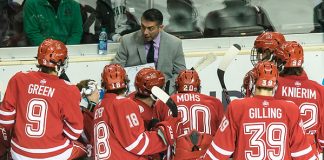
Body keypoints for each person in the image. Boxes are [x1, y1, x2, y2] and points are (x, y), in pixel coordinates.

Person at [204, 61, 316, 160]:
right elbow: (302, 154)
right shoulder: (290, 108)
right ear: (275, 84)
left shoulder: (237, 107)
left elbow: (219, 152)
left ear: (253, 82)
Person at [0, 39, 86, 159]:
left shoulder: (18, 79)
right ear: (60, 63)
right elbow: (74, 132)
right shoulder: (69, 89)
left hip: (19, 153)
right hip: (54, 154)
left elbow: (5, 121)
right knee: (85, 148)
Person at [93, 64, 181, 159]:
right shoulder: (124, 104)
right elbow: (137, 143)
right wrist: (166, 131)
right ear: (126, 83)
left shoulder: (99, 106)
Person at [112, 8, 186, 94]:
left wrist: (165, 91)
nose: (145, 32)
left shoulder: (174, 43)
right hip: (135, 93)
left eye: (150, 28)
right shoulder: (127, 40)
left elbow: (180, 73)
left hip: (163, 92)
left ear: (161, 28)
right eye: (143, 27)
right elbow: (116, 70)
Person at [154, 69, 224, 159]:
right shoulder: (215, 102)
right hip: (207, 154)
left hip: (178, 155)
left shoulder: (162, 102)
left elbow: (158, 135)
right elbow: (222, 135)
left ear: (177, 86)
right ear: (198, 86)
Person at [273, 41, 324, 157]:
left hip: (280, 148)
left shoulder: (274, 86)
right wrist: (317, 147)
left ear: (280, 62)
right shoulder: (320, 90)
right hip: (309, 149)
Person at [76, 79, 101, 158]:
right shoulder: (83, 115)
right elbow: (92, 140)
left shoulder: (86, 112)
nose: (98, 94)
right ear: (85, 97)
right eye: (95, 92)